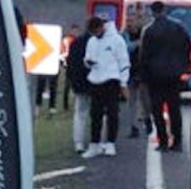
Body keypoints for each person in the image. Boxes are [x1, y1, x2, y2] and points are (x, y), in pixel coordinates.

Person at [139, 0, 191, 152]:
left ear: (152, 12)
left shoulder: (149, 31)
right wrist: (183, 65)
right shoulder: (178, 27)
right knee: (174, 108)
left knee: (157, 110)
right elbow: (187, 46)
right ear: (164, 10)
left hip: (155, 76)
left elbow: (144, 55)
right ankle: (177, 141)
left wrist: (143, 75)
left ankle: (162, 141)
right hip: (174, 74)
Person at [81, 16, 130, 158]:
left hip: (111, 80)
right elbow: (87, 58)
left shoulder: (117, 40)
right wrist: (88, 62)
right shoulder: (92, 41)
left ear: (102, 27)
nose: (95, 35)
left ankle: (110, 143)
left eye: (96, 31)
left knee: (112, 112)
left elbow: (124, 62)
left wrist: (123, 83)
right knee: (95, 113)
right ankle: (94, 144)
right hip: (96, 79)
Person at [64, 23, 91, 154]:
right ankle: (96, 140)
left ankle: (78, 142)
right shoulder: (99, 43)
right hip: (97, 83)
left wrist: (73, 82)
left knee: (80, 113)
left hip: (80, 83)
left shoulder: (76, 43)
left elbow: (70, 64)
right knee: (98, 114)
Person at [122, 16, 151, 138]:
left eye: (131, 21)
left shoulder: (145, 33)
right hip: (130, 71)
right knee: (131, 101)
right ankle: (133, 126)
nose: (129, 24)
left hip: (143, 71)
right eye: (127, 21)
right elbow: (125, 48)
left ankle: (147, 120)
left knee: (146, 100)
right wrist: (137, 43)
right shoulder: (123, 35)